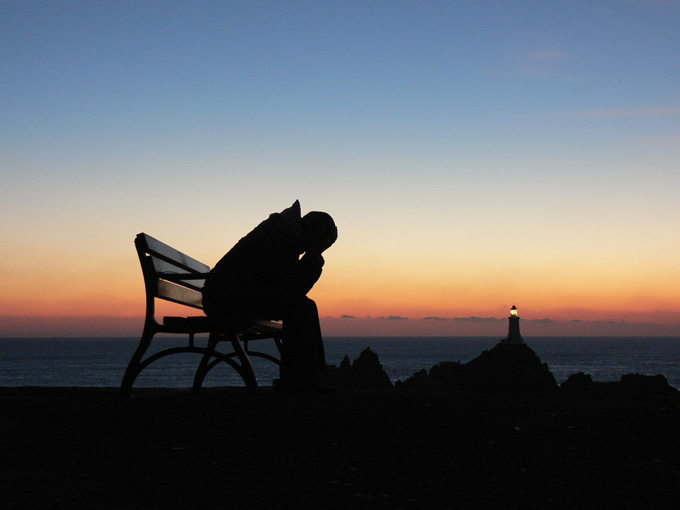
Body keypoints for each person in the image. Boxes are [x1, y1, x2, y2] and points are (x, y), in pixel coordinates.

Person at [202, 200, 337, 391]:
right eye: (322, 243)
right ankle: (300, 379)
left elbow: (290, 289)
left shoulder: (284, 233)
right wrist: (314, 257)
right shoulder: (280, 236)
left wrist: (313, 258)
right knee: (300, 306)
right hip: (227, 301)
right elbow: (290, 288)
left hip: (235, 296)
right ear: (313, 234)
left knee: (304, 305)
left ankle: (310, 374)